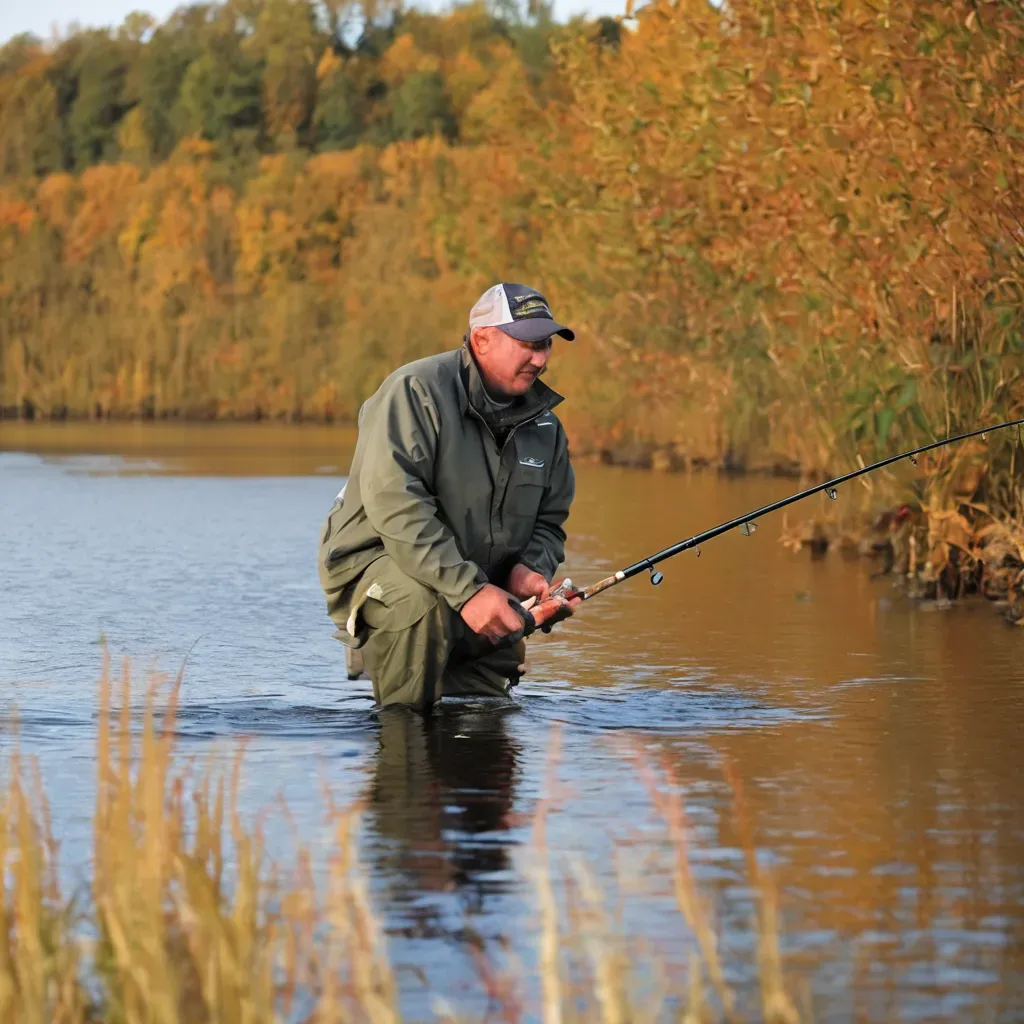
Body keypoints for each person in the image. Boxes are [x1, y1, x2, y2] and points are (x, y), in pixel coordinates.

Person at [317, 282, 580, 711]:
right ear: (482, 339)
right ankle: (403, 744)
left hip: (473, 579)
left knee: (480, 722)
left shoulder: (547, 428)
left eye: (547, 344)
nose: (541, 358)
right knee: (423, 604)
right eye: (529, 344)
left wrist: (530, 571)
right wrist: (471, 591)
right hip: (378, 565)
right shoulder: (413, 392)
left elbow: (550, 522)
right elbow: (398, 510)